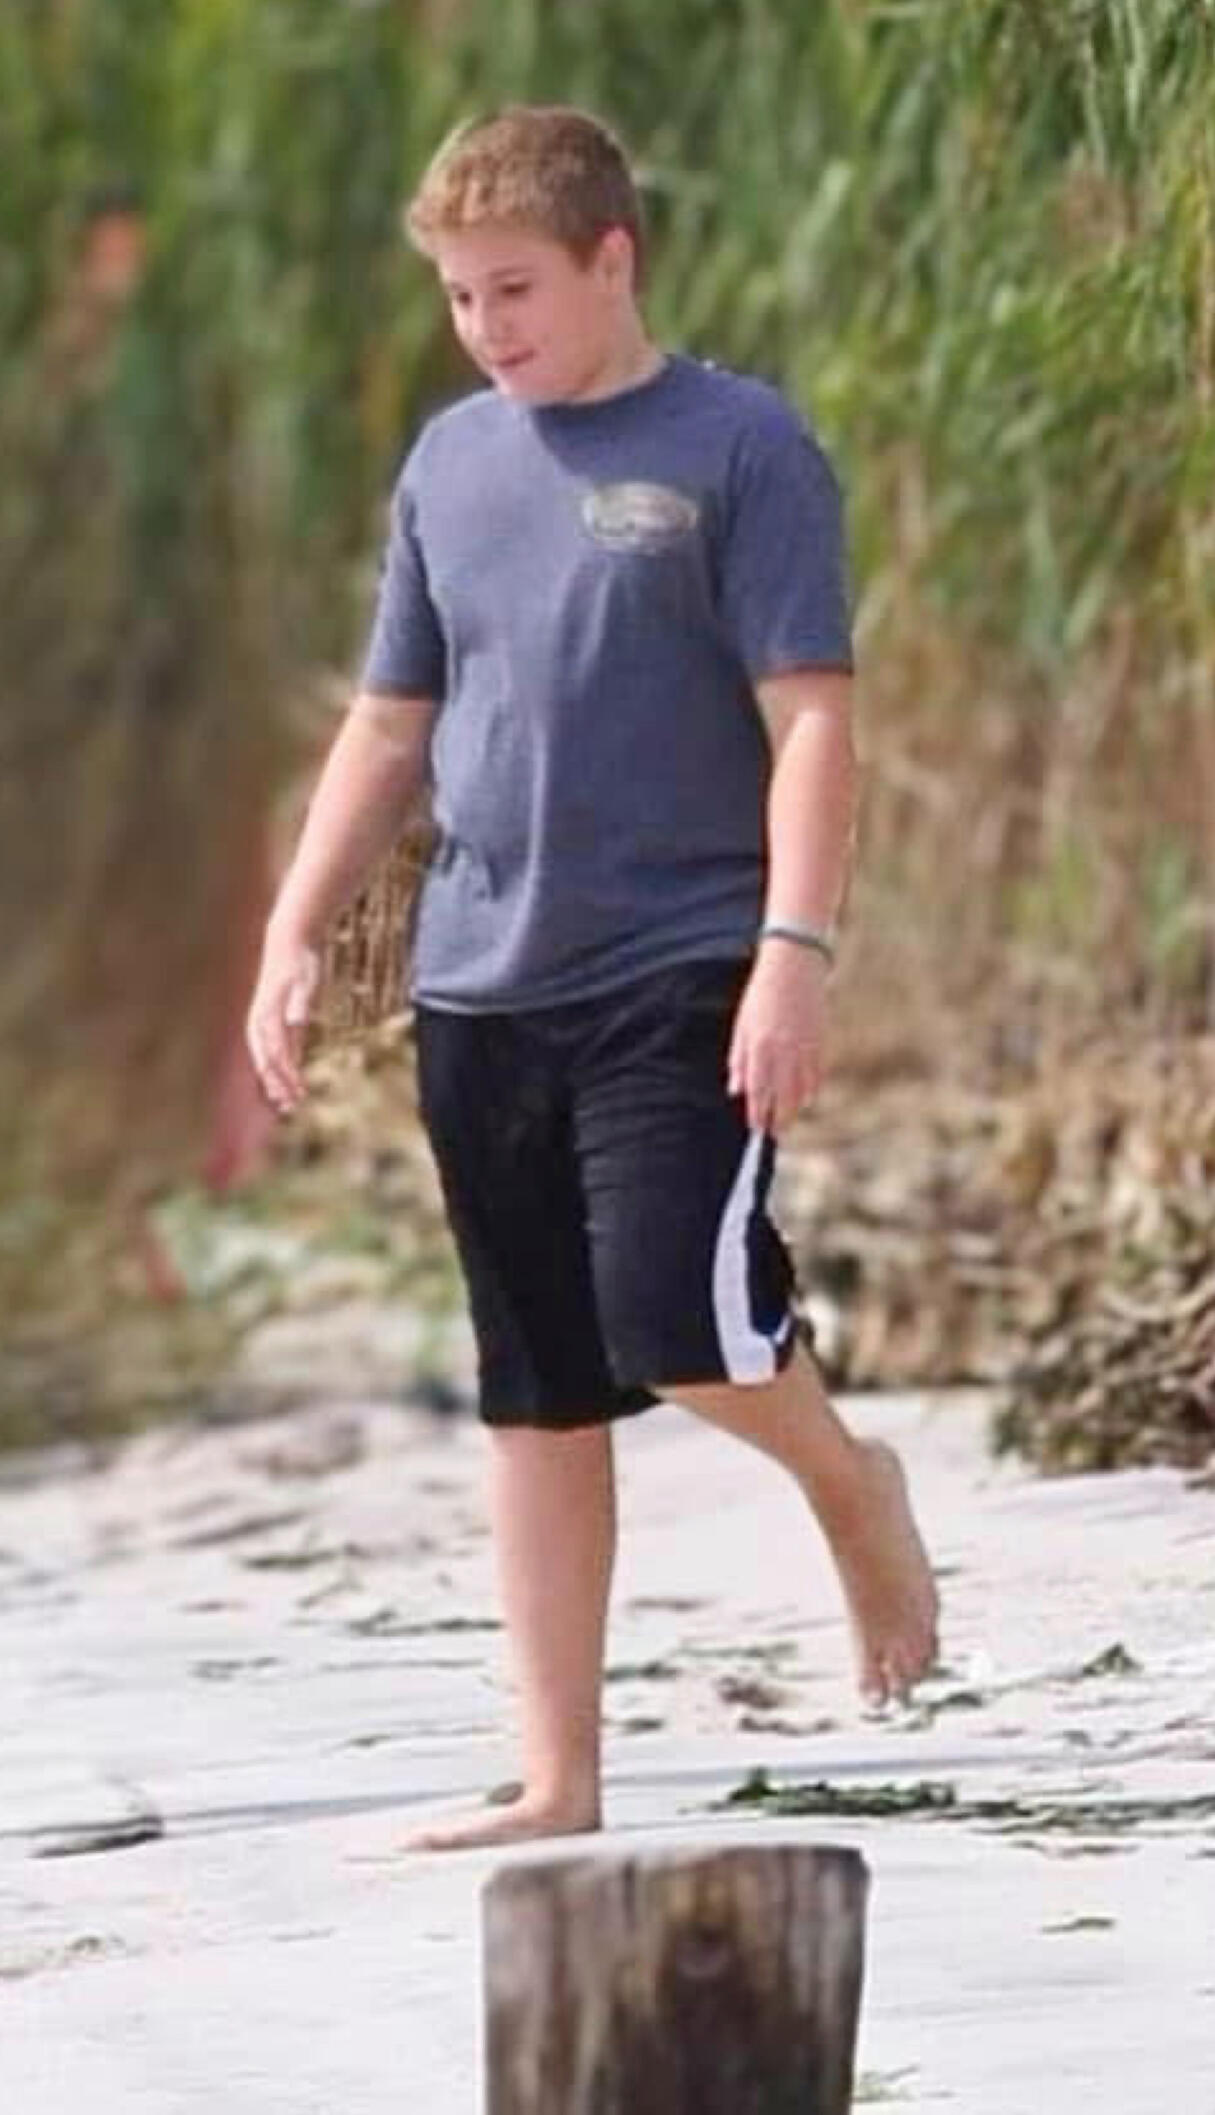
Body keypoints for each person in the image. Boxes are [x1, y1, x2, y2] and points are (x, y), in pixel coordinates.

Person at [245, 105, 939, 1852]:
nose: (485, 328)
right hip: (482, 984)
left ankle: (851, 1488)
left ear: (612, 260)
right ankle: (559, 1780)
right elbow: (388, 724)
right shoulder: (449, 468)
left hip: (683, 963)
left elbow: (813, 723)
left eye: (516, 290)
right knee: (540, 1385)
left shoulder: (742, 447)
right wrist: (293, 927)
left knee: (675, 1323)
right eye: (460, 297)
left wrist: (794, 955)